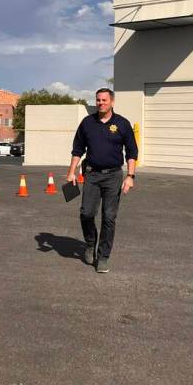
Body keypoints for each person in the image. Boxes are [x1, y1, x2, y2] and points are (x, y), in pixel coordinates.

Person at [65, 88, 138, 273]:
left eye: (104, 100)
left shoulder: (122, 124)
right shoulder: (87, 123)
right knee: (86, 213)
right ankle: (90, 244)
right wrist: (72, 172)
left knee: (109, 217)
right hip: (92, 175)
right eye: (98, 100)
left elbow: (132, 152)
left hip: (113, 176)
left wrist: (130, 176)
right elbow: (77, 149)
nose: (101, 103)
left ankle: (103, 256)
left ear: (112, 102)